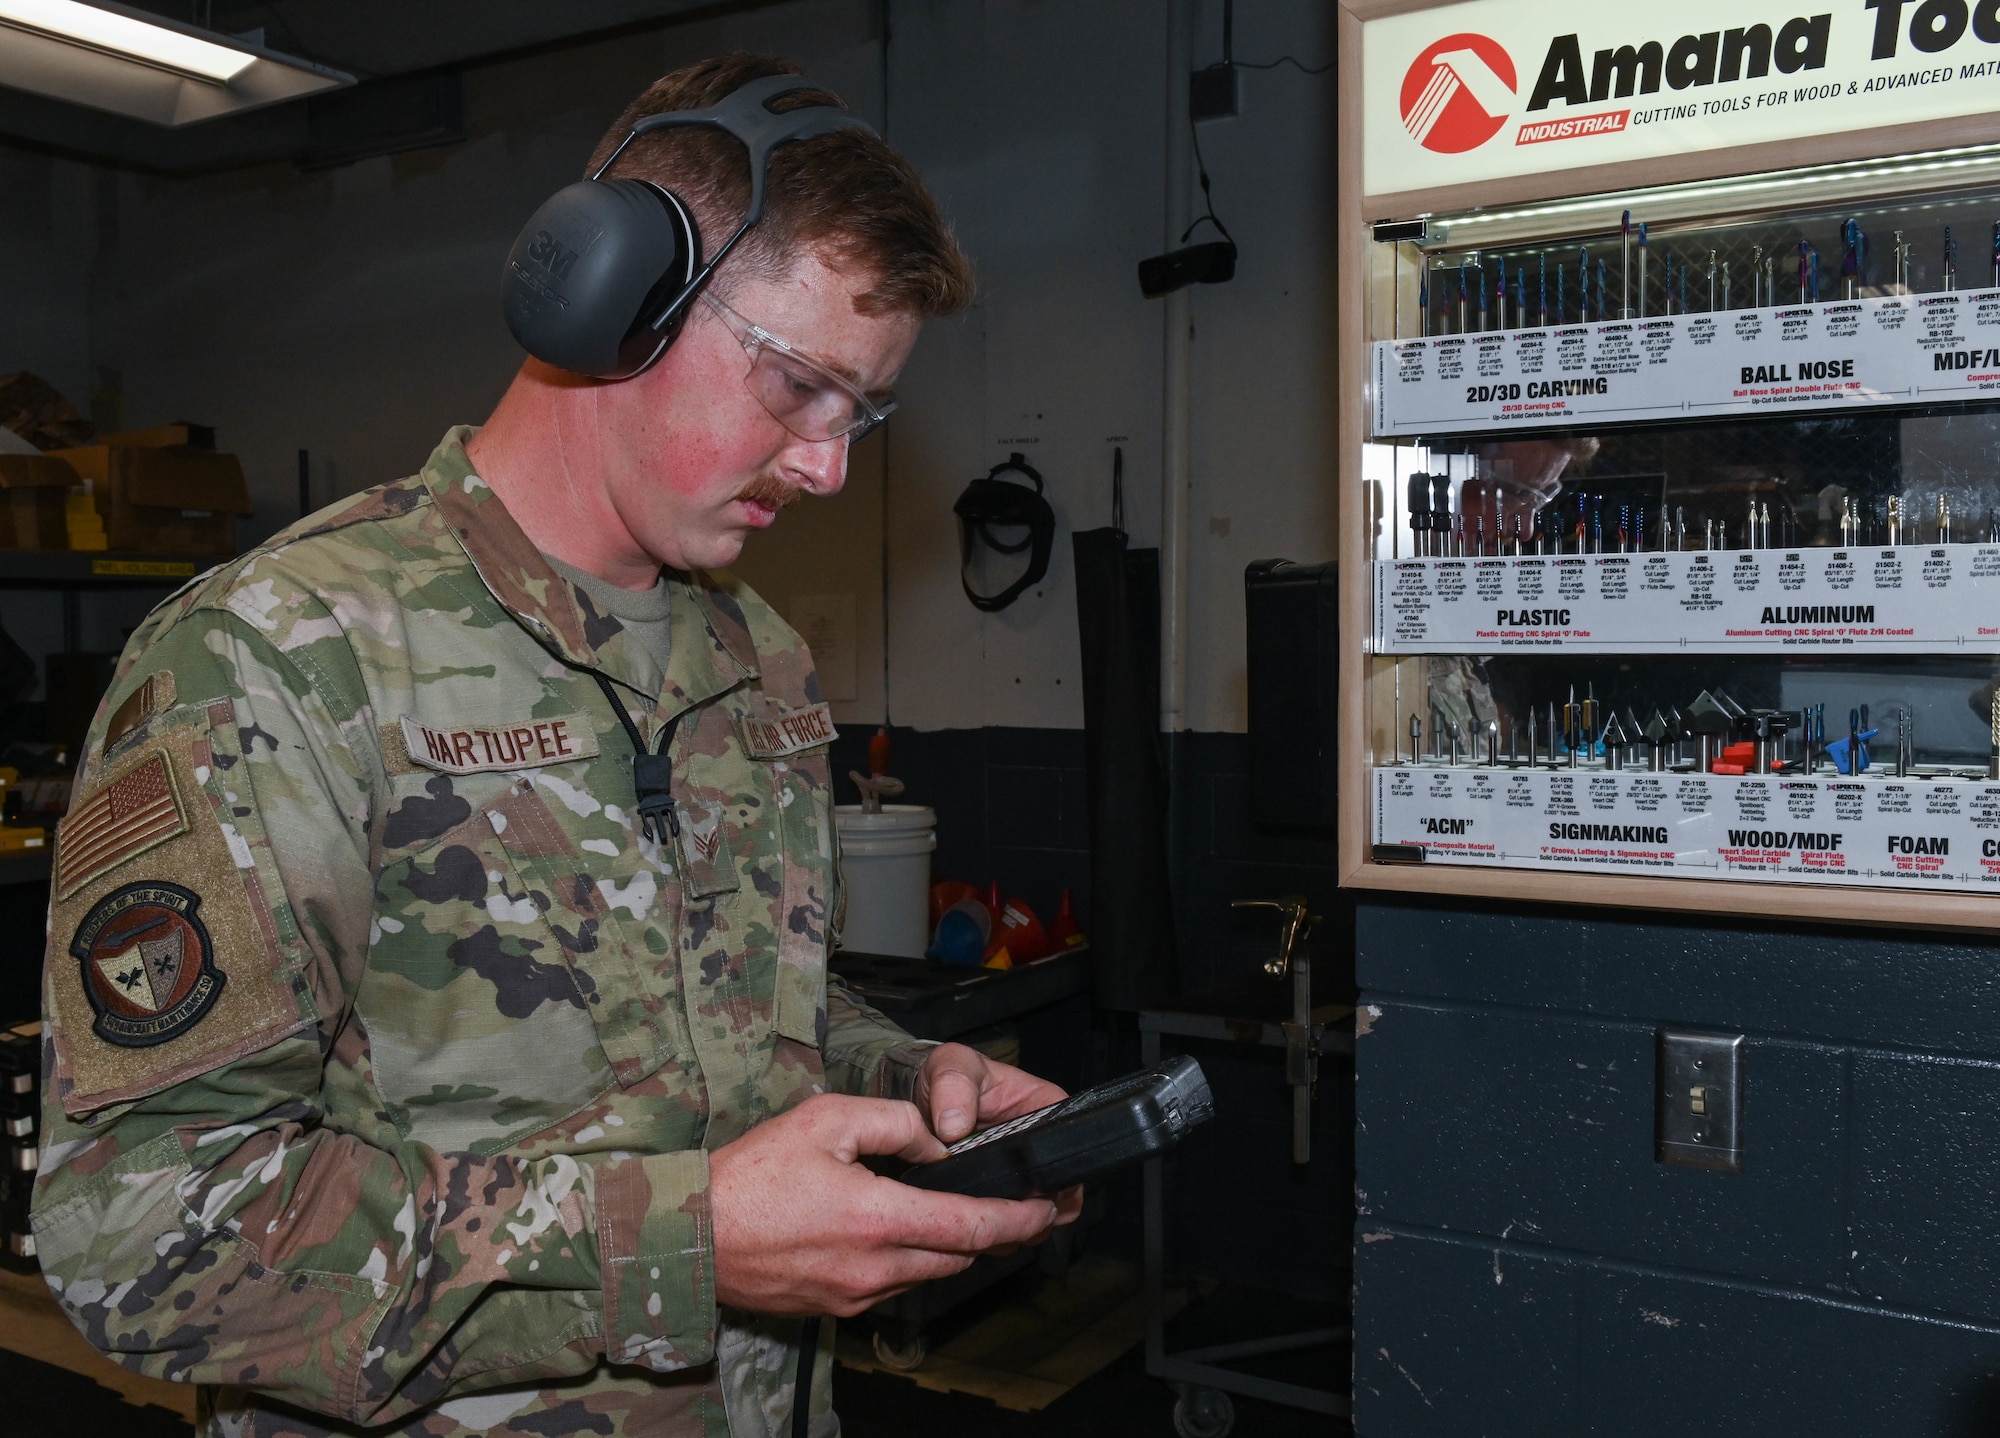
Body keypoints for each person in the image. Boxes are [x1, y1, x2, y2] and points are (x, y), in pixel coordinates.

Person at [32, 54, 1077, 1438]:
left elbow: (750, 1018)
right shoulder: (284, 653)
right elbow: (141, 1230)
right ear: (610, 297)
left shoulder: (751, 654)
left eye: (862, 412)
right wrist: (680, 1243)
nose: (829, 467)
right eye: (798, 387)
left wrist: (902, 1083)